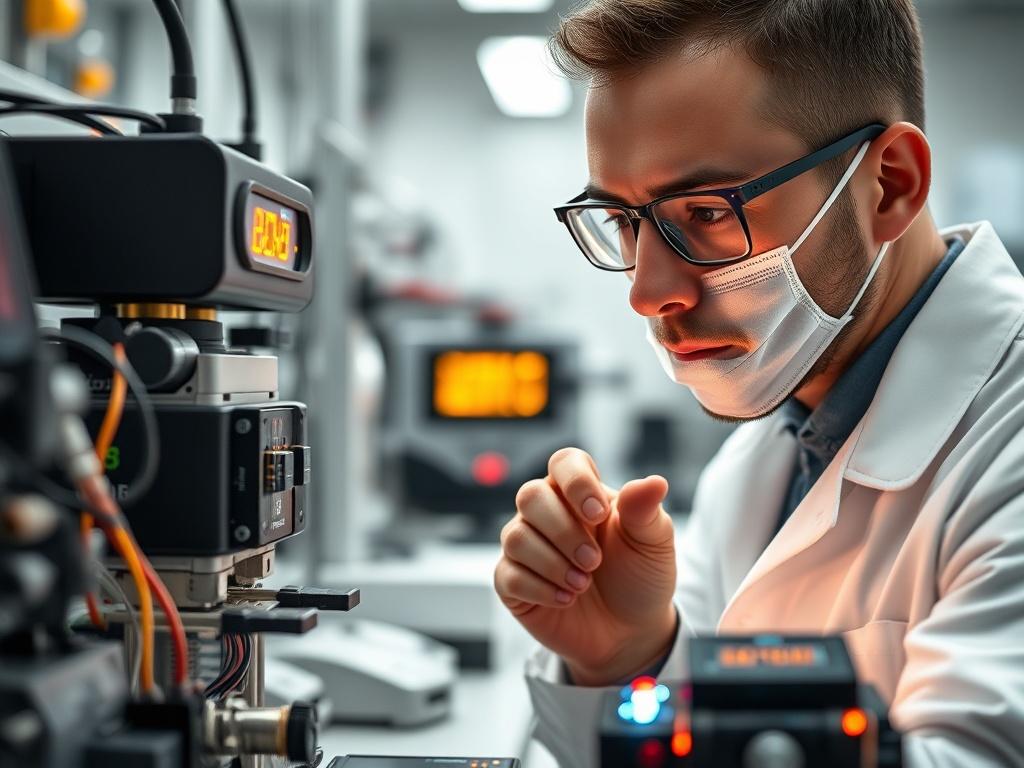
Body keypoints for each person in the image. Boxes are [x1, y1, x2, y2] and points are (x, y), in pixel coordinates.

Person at [492, 1, 1024, 765]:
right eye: (622, 221)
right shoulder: (763, 457)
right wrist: (627, 656)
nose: (647, 292)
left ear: (890, 187)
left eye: (706, 212)